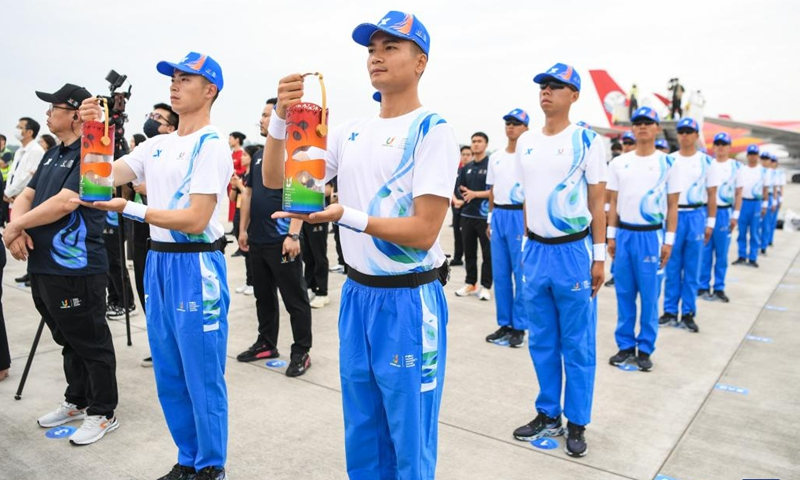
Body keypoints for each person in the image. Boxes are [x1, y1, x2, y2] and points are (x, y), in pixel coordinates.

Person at [264, 11, 459, 478]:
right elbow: (279, 180)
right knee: (363, 429)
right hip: (358, 294)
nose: (376, 57)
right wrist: (280, 120)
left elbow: (425, 231)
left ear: (420, 62)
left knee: (409, 436)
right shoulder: (350, 131)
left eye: (391, 47)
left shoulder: (432, 129)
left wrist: (346, 216)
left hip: (408, 299)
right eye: (372, 49)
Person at [79, 51, 232, 480]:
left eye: (186, 78)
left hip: (196, 265)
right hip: (159, 264)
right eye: (173, 77)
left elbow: (197, 219)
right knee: (169, 372)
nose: (175, 83)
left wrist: (132, 208)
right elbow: (99, 177)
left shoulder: (212, 144)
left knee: (201, 375)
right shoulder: (156, 145)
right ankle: (187, 459)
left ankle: (211, 467)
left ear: (210, 90)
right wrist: (92, 128)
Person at [3, 83, 118, 445]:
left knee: (90, 339)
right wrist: (16, 229)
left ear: (73, 113)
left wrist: (15, 227)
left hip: (76, 268)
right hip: (43, 264)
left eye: (53, 108)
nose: (48, 114)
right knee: (66, 335)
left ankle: (102, 410)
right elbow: (27, 194)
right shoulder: (53, 154)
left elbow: (67, 202)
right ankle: (77, 398)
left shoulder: (91, 152)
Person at [510, 63, 607, 458]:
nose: (546, 92)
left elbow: (598, 201)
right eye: (543, 86)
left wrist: (598, 258)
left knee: (577, 343)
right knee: (543, 340)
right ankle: (548, 411)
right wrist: (524, 245)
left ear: (574, 95)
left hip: (572, 252)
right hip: (535, 251)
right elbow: (526, 197)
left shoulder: (587, 140)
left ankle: (578, 420)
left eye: (556, 86)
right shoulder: (527, 142)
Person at [236, 98, 313, 376]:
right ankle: (266, 342)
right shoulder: (259, 154)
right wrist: (243, 230)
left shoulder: (297, 152)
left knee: (295, 299)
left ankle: (301, 351)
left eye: (268, 115)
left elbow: (303, 198)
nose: (262, 119)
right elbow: (249, 193)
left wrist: (293, 234)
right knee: (263, 296)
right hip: (257, 239)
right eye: (262, 114)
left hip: (282, 240)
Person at [607, 106, 679, 371]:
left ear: (657, 128)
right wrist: (611, 237)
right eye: (638, 123)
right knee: (624, 294)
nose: (642, 127)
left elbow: (673, 206)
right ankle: (625, 345)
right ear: (632, 128)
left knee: (649, 297)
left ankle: (645, 348)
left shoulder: (668, 162)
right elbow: (613, 202)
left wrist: (668, 241)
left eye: (648, 123)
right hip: (624, 235)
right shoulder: (619, 162)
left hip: (651, 236)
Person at [659, 117, 719, 332]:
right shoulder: (669, 160)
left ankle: (688, 312)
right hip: (674, 215)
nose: (684, 135)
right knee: (671, 266)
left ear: (696, 135)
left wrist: (710, 222)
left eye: (689, 131)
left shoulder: (706, 161)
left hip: (695, 215)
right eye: (681, 131)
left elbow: (712, 194)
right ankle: (669, 310)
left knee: (692, 268)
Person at [134, 102, 179, 368]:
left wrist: (147, 187)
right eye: (151, 115)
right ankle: (158, 346)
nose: (152, 120)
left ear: (170, 127)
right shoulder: (144, 151)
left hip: (167, 234)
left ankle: (171, 349)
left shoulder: (176, 154)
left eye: (158, 118)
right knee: (147, 293)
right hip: (141, 230)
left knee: (169, 300)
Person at [484, 108, 528, 347]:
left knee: (520, 275)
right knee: (500, 274)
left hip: (519, 214)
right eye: (508, 123)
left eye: (516, 123)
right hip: (499, 214)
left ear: (525, 128)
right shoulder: (497, 157)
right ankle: (504, 323)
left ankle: (519, 326)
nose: (511, 127)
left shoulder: (528, 156)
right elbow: (492, 190)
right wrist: (490, 219)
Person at [699, 132, 742, 302]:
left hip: (724, 212)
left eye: (724, 144)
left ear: (729, 147)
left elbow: (739, 193)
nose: (720, 147)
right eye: (717, 144)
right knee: (705, 251)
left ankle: (719, 287)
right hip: (707, 211)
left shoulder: (736, 166)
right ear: (713, 146)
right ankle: (702, 285)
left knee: (722, 253)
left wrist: (735, 215)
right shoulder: (707, 163)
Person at [5, 117, 46, 287]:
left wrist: (10, 192)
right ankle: (29, 271)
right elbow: (14, 175)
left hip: (23, 199)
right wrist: (8, 193)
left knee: (28, 235)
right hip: (13, 198)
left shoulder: (36, 151)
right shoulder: (20, 151)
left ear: (29, 132)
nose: (17, 129)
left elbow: (28, 178)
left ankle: (32, 272)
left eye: (20, 127)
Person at [455, 132, 492, 300]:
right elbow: (459, 188)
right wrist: (462, 198)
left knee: (487, 254)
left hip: (484, 218)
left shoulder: (490, 165)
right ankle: (471, 283)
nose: (476, 144)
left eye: (479, 141)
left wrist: (475, 194)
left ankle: (485, 286)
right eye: (474, 141)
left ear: (486, 144)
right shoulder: (467, 167)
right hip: (467, 215)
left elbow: (494, 191)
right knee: (469, 252)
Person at [732, 145, 768, 268]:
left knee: (754, 231)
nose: (752, 156)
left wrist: (765, 205)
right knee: (742, 231)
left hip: (756, 203)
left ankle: (752, 257)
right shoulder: (742, 169)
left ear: (758, 156)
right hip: (743, 202)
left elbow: (765, 189)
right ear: (747, 156)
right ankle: (742, 256)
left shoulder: (762, 171)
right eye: (750, 154)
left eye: (755, 154)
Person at [231, 145, 257, 296]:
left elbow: (249, 196)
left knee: (250, 252)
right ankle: (249, 281)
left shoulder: (252, 178)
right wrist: (235, 187)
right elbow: (232, 199)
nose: (242, 157)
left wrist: (240, 186)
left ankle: (253, 283)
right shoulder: (243, 176)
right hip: (239, 214)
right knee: (244, 252)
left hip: (248, 216)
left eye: (246, 155)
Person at [301, 188, 331, 308]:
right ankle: (310, 286)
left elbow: (328, 189)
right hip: (303, 214)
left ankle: (322, 292)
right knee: (307, 255)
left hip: (317, 213)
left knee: (319, 254)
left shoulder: (319, 170)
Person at [450, 145, 472, 266]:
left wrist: (462, 202)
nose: (465, 157)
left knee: (467, 235)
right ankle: (457, 257)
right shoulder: (456, 171)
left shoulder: (473, 170)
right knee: (456, 233)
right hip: (456, 206)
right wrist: (455, 200)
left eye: (468, 155)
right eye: (463, 155)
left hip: (469, 207)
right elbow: (450, 187)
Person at [759, 151, 776, 254]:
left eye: (767, 159)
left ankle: (764, 245)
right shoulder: (758, 170)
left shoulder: (772, 172)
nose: (765, 161)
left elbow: (774, 188)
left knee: (766, 223)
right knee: (756, 225)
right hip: (758, 198)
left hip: (768, 197)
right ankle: (756, 245)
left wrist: (774, 201)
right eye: (763, 158)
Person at [770, 154, 785, 246]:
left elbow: (781, 187)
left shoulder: (779, 173)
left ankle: (770, 240)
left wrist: (781, 199)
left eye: (774, 161)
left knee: (772, 220)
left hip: (776, 195)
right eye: (771, 161)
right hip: (766, 195)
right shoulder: (764, 171)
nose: (772, 163)